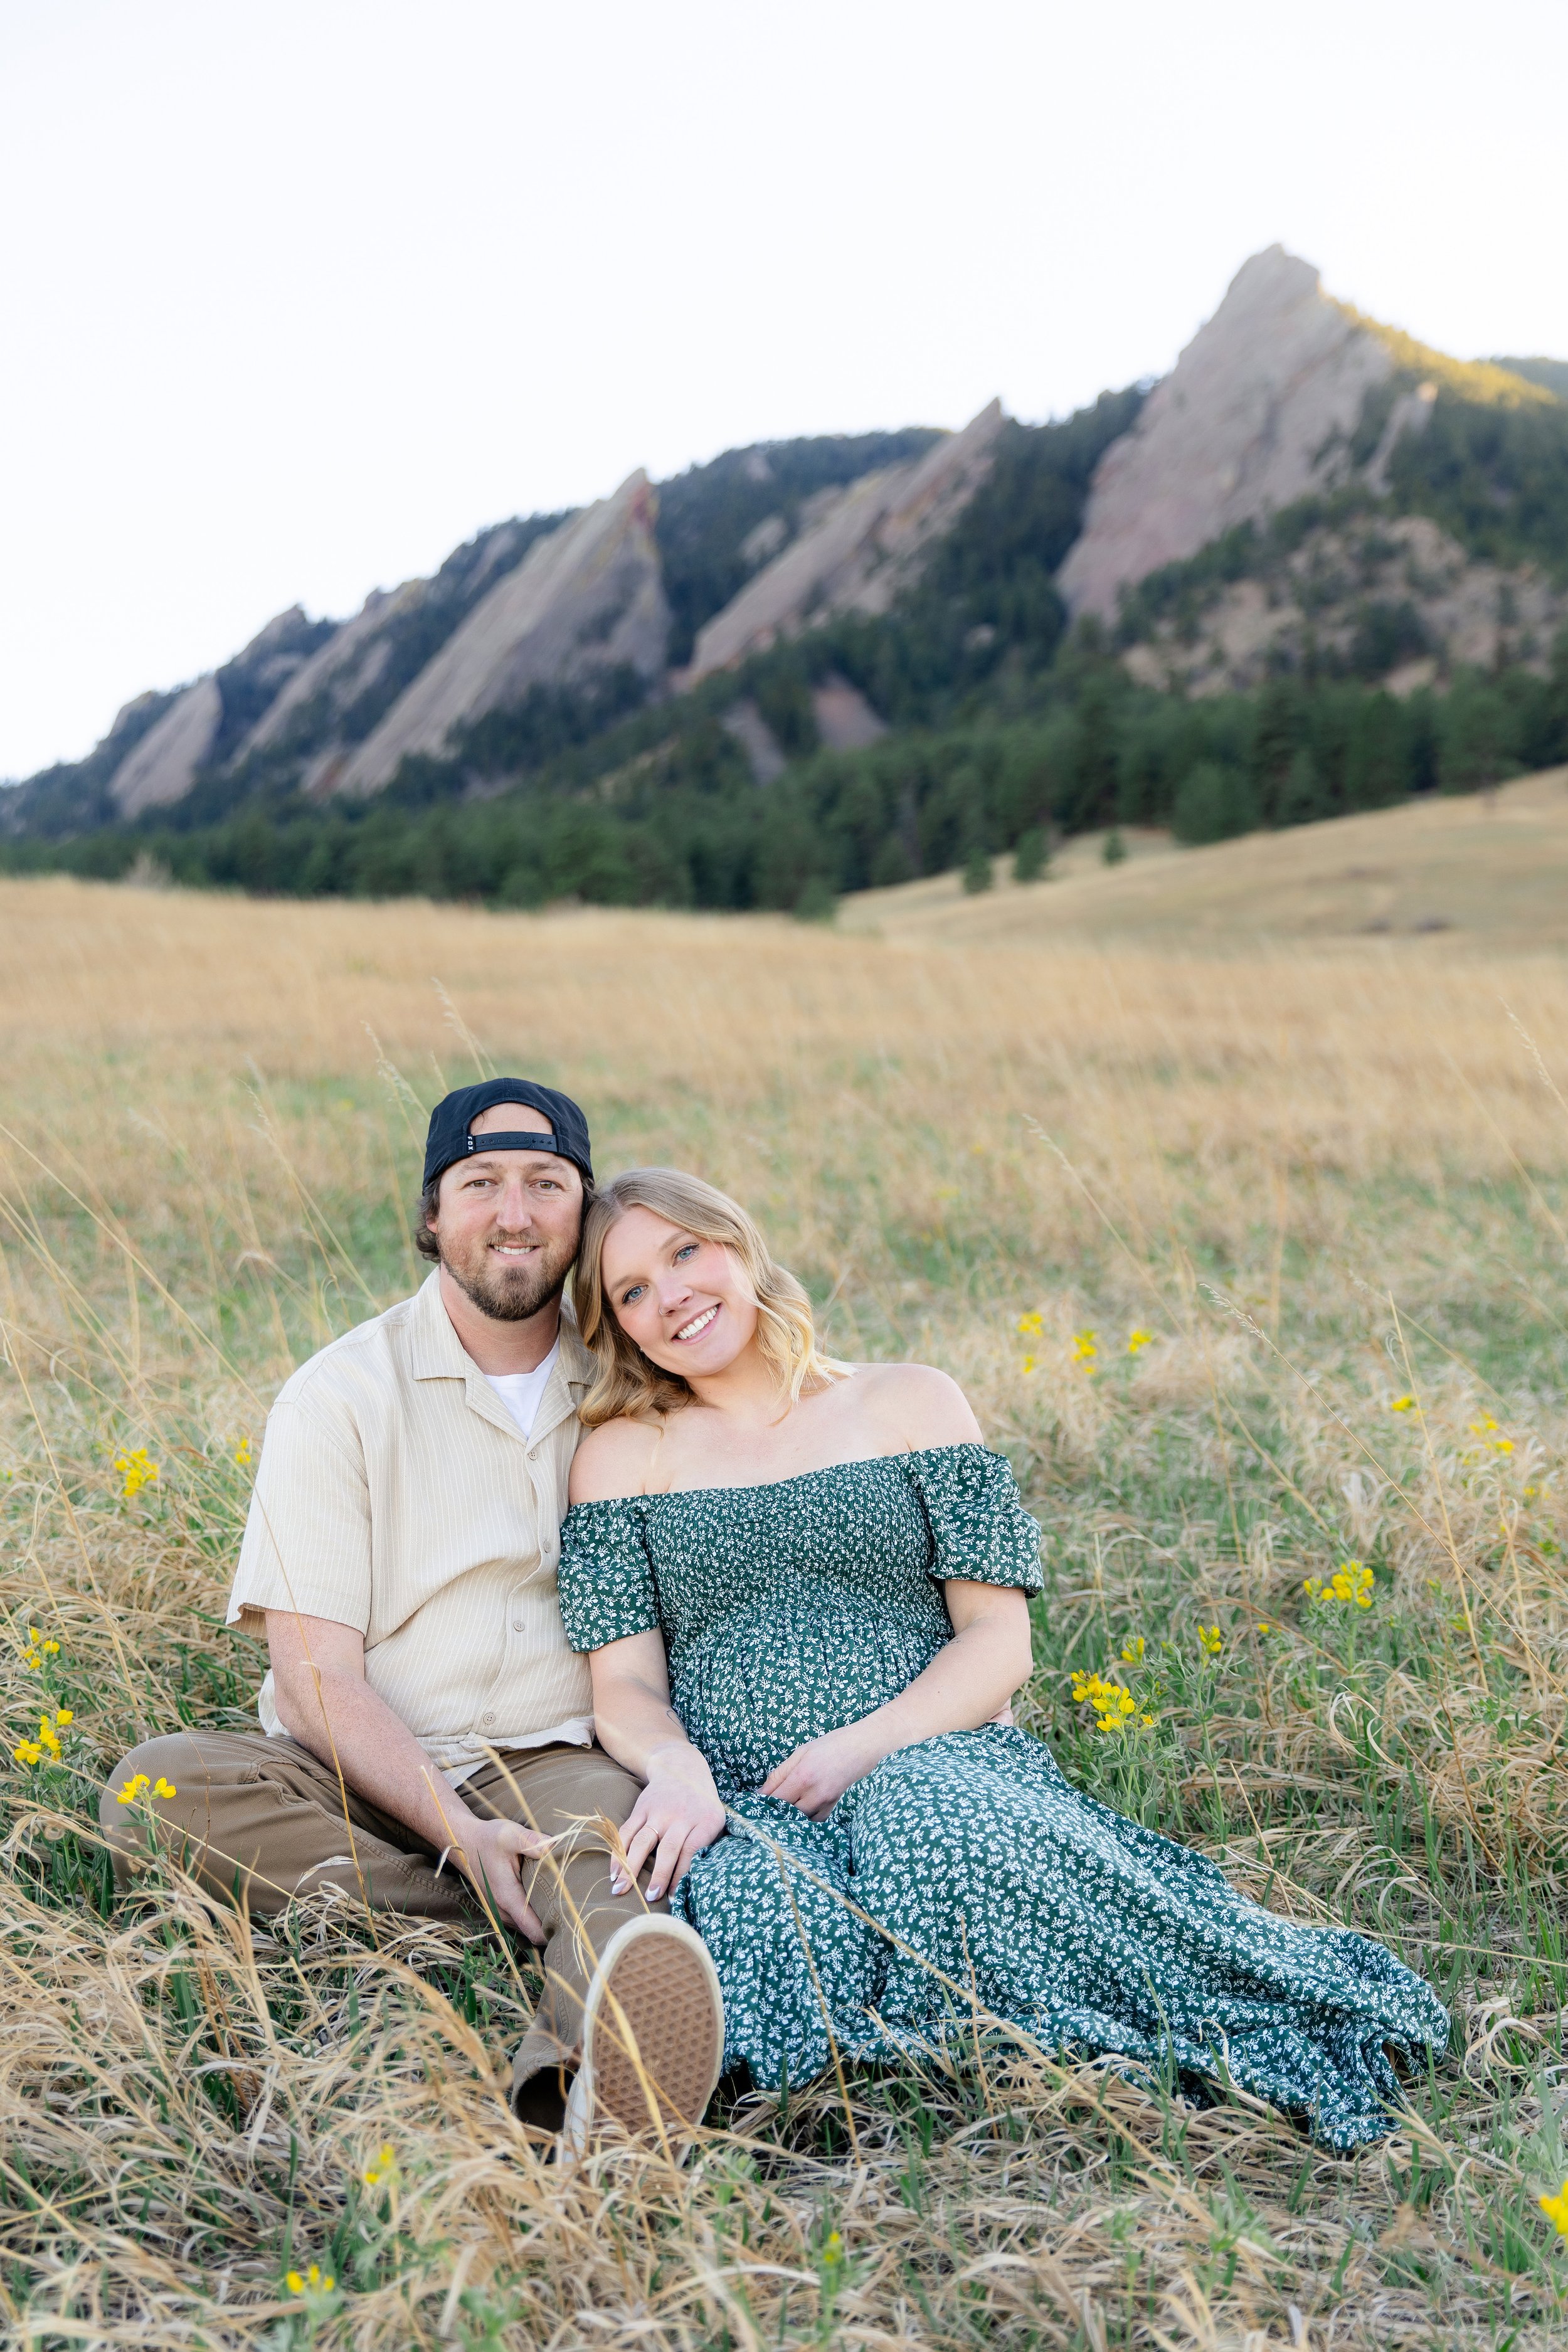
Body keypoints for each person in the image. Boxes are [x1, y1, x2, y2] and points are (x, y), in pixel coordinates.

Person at [557, 1166, 1450, 2153]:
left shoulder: (907, 1401)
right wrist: (683, 1773)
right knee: (772, 1919)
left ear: (737, 1246)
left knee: (942, 1836)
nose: (672, 1292)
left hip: (931, 1745)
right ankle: (883, 2080)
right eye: (633, 1289)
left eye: (685, 1252)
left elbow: (999, 1638)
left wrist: (869, 1743)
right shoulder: (623, 1457)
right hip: (753, 1790)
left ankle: (1118, 2033)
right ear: (619, 1328)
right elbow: (625, 1685)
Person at [101, 1083, 724, 2146]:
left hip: (555, 1757)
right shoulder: (338, 1395)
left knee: (615, 1864)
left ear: (583, 1216)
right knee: (153, 1789)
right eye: (480, 1184)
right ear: (433, 1215)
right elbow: (313, 1678)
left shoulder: (635, 1380)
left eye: (546, 1184)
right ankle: (511, 1897)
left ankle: (592, 2087)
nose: (515, 1212)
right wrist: (455, 1826)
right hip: (355, 1761)